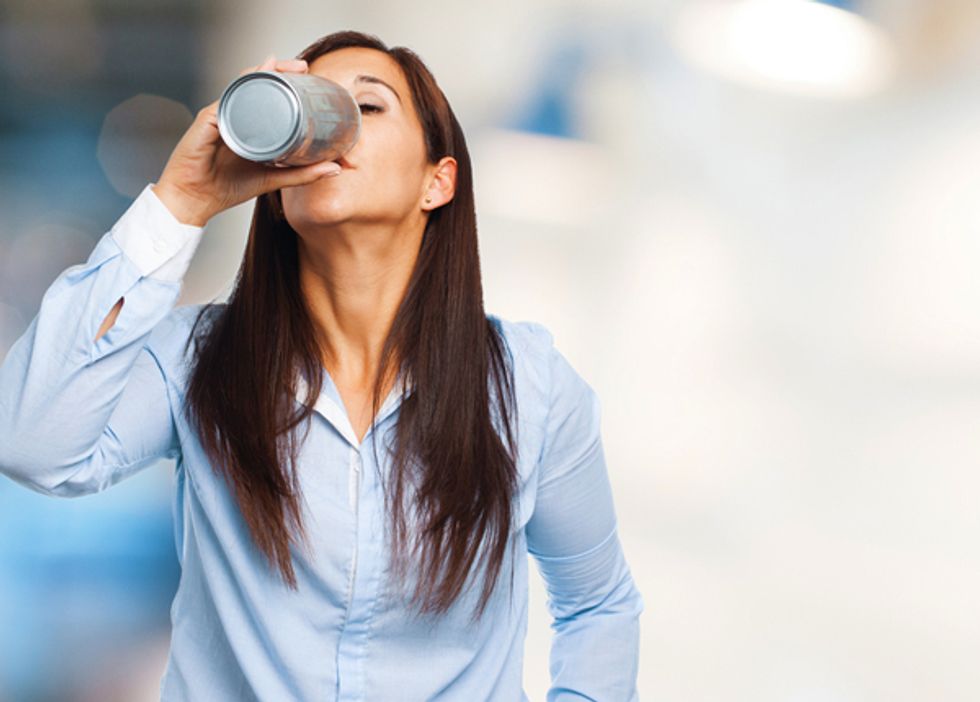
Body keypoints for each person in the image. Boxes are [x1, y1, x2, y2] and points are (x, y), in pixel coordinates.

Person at [0, 30, 643, 701]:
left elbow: (598, 603)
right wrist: (181, 202)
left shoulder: (524, 385)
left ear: (437, 180)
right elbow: (34, 447)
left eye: (367, 108)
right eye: (315, 109)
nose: (333, 133)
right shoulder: (201, 361)